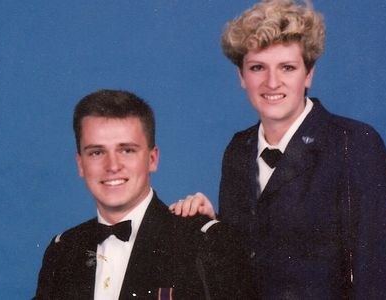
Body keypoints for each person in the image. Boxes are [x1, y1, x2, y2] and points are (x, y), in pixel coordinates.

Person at [170, 0, 386, 299]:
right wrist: (214, 224)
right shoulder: (239, 149)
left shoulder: (354, 143)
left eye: (287, 67)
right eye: (257, 68)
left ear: (308, 75)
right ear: (241, 76)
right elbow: (240, 267)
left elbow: (375, 276)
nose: (272, 82)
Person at [34, 89, 251, 300]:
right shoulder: (63, 251)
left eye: (127, 150)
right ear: (80, 164)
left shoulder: (202, 242)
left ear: (152, 159)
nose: (113, 166)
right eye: (97, 152)